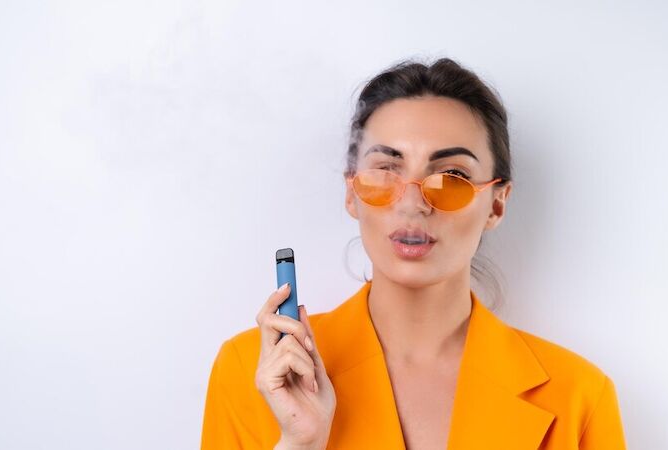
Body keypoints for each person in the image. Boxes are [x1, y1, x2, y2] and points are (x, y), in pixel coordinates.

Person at [200, 57, 627, 449]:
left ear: (497, 204)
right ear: (352, 193)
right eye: (386, 169)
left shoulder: (579, 397)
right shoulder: (255, 372)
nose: (412, 203)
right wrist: (300, 443)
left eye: (452, 176)